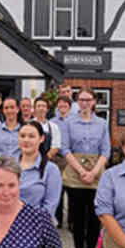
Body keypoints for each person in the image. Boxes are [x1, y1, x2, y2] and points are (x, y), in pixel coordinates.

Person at [61, 88, 110, 248]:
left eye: (88, 100)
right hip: (75, 175)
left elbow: (106, 151)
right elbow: (65, 149)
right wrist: (81, 171)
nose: (84, 103)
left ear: (94, 102)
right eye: (81, 100)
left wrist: (94, 171)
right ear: (77, 102)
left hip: (96, 175)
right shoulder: (69, 123)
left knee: (94, 218)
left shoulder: (102, 124)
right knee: (78, 218)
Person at [18, 121, 62, 216]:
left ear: (41, 139)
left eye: (31, 136)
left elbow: (50, 207)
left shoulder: (51, 170)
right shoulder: (10, 165)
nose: (26, 140)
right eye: (22, 136)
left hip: (37, 225)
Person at [51, 95, 74, 227]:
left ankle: (71, 221)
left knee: (70, 189)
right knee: (57, 189)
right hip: (56, 158)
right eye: (60, 105)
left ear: (69, 108)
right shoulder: (52, 122)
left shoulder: (74, 121)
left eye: (65, 105)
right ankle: (58, 219)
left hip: (70, 159)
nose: (62, 108)